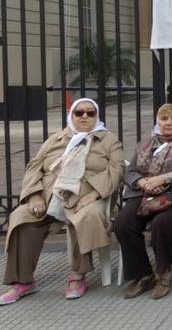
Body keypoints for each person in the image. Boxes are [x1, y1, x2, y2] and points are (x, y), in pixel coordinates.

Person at [1, 98, 123, 304]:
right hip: (49, 195)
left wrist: (94, 195)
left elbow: (117, 170)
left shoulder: (108, 140)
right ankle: (23, 281)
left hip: (85, 195)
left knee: (83, 216)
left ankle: (77, 275)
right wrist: (34, 196)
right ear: (71, 116)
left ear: (97, 116)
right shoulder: (57, 139)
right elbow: (34, 166)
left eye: (90, 113)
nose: (84, 116)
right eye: (79, 113)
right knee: (21, 218)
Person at [114, 104, 172, 299]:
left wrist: (165, 178)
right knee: (123, 223)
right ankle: (143, 274)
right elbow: (130, 171)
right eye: (164, 119)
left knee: (162, 222)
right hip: (144, 194)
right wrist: (142, 182)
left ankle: (163, 273)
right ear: (158, 121)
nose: (168, 123)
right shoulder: (146, 143)